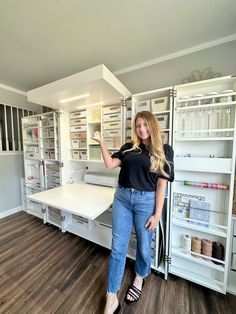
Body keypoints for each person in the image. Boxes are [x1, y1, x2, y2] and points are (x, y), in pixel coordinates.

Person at [92, 110, 174, 314]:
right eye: (138, 125)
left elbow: (162, 186)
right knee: (118, 247)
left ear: (152, 126)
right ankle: (111, 296)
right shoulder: (128, 148)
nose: (141, 129)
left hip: (146, 203)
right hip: (122, 198)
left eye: (145, 125)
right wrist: (101, 141)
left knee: (144, 245)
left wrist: (157, 214)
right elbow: (110, 165)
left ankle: (139, 277)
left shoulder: (164, 150)